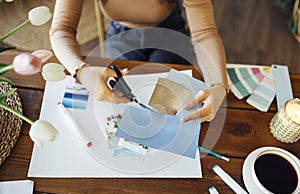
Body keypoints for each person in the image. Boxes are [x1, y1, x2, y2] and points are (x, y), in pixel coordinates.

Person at [49, 0, 229, 123]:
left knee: (168, 106)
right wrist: (81, 70)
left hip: (169, 33)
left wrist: (218, 85)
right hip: (121, 34)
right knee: (121, 103)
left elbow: (204, 33)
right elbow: (61, 29)